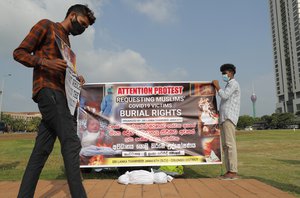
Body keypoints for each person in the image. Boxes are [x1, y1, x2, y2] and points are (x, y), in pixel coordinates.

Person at [13, 4, 96, 198]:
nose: (82, 29)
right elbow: (19, 53)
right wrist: (44, 62)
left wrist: (75, 77)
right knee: (71, 142)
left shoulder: (66, 43)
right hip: (47, 90)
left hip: (60, 94)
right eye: (82, 24)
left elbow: (63, 73)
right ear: (72, 16)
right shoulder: (46, 25)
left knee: (41, 151)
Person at [212, 63, 240, 180]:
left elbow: (224, 96)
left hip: (229, 117)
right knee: (225, 146)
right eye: (222, 73)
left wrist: (217, 86)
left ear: (231, 73)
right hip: (224, 118)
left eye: (225, 73)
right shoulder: (229, 84)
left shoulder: (233, 84)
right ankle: (229, 171)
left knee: (230, 145)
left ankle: (233, 171)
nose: (223, 75)